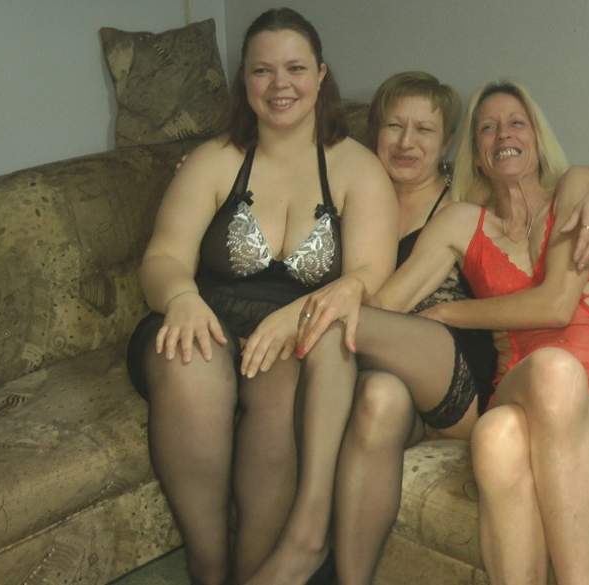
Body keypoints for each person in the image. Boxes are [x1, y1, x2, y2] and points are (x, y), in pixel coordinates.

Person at [297, 80, 589, 585]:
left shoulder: (576, 188)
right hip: (518, 390)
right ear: (476, 155)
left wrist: (450, 313)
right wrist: (341, 291)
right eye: (487, 128)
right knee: (506, 419)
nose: (502, 134)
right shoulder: (462, 222)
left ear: (537, 138)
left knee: (518, 413)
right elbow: (382, 309)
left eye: (516, 123)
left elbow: (556, 305)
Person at [125, 8, 398, 585]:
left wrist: (295, 316)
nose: (280, 85)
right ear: (244, 80)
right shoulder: (214, 160)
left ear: (321, 75)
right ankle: (207, 565)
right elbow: (162, 258)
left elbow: (369, 275)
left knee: (283, 392)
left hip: (294, 334)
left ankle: (254, 571)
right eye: (262, 70)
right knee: (190, 359)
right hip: (203, 316)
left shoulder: (357, 168)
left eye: (295, 68)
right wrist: (181, 297)